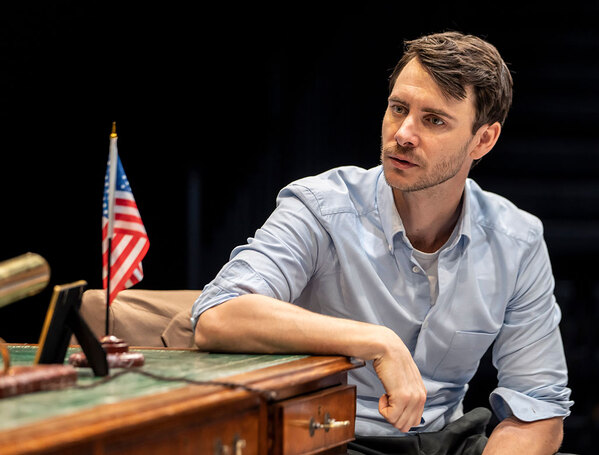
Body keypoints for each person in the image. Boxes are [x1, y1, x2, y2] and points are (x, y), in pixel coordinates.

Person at [192, 31, 573, 455]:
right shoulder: (322, 207)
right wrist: (376, 341)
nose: (404, 134)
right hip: (331, 438)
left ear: (483, 139)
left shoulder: (517, 240)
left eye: (434, 120)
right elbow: (219, 314)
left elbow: (537, 405)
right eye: (398, 109)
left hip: (446, 442)